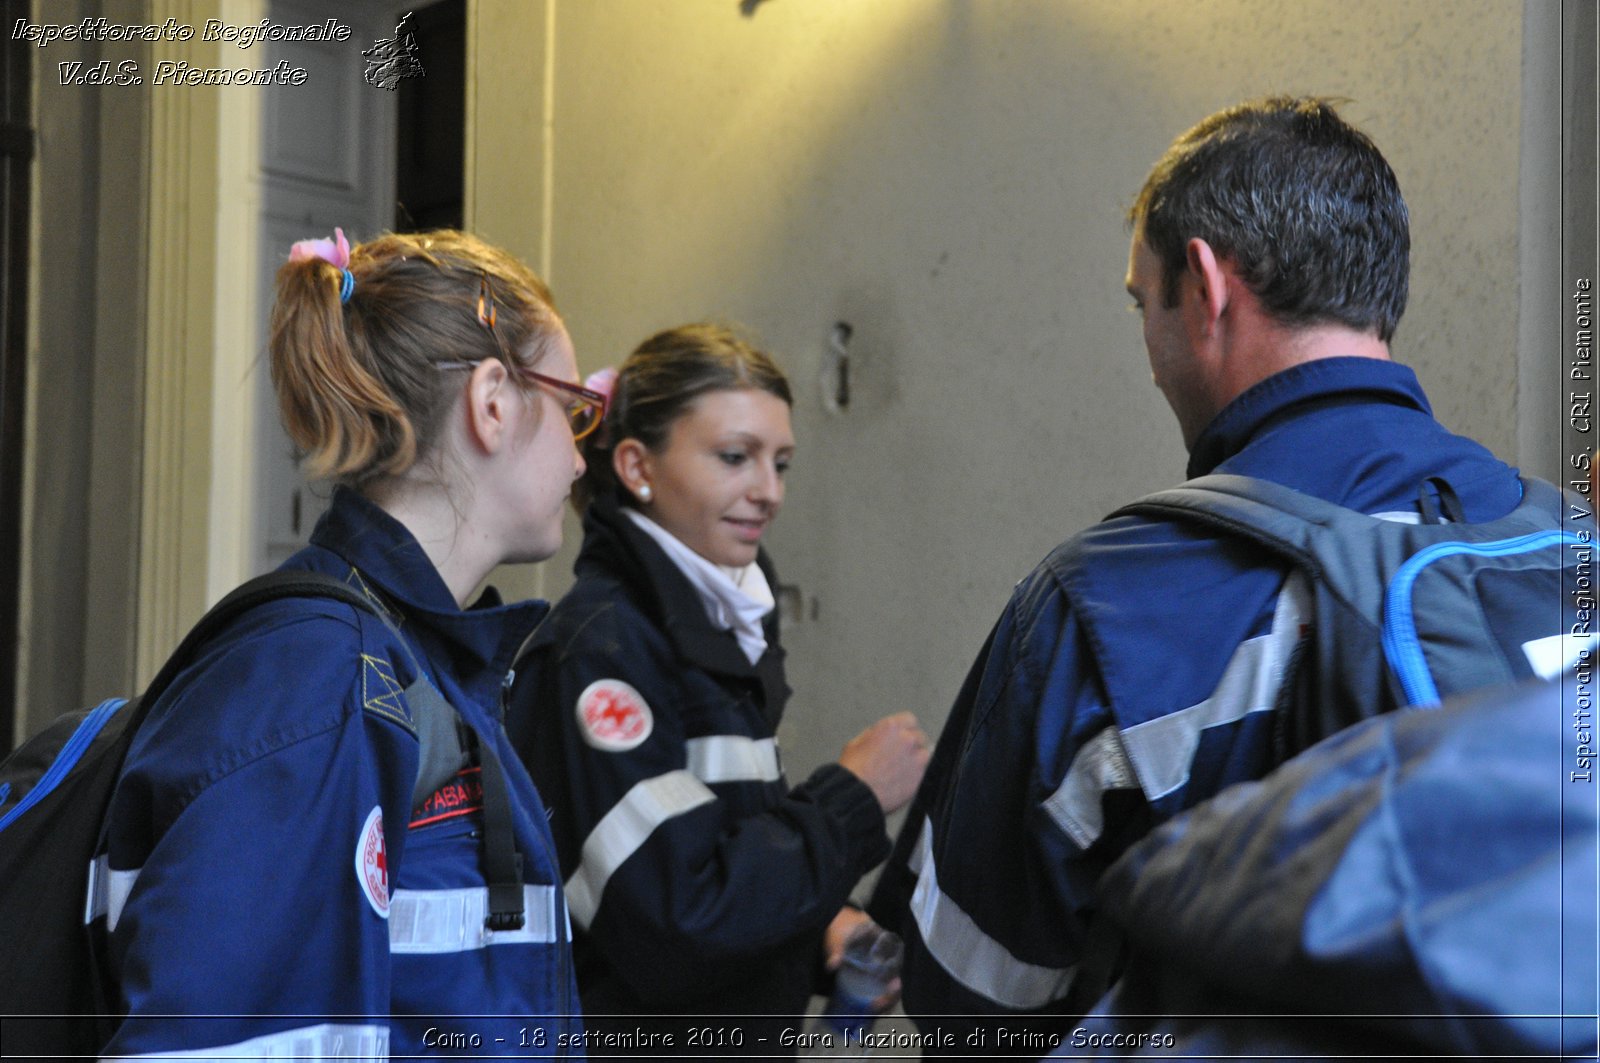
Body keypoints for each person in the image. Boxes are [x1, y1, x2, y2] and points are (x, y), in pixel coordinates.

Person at [866, 96, 1529, 1049]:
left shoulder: (1102, 607)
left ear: (1207, 286)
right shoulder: (1563, 541)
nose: (1149, 354)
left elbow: (968, 1002)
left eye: (1145, 301)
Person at [89, 229, 596, 1057]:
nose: (582, 456)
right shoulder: (320, 684)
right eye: (573, 409)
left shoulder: (415, 662)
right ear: (494, 400)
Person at [507, 322, 930, 1054]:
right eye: (735, 457)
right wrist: (850, 797)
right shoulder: (605, 649)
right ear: (637, 466)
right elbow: (675, 924)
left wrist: (818, 919)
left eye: (782, 463)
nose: (767, 492)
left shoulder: (709, 627)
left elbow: (719, 847)